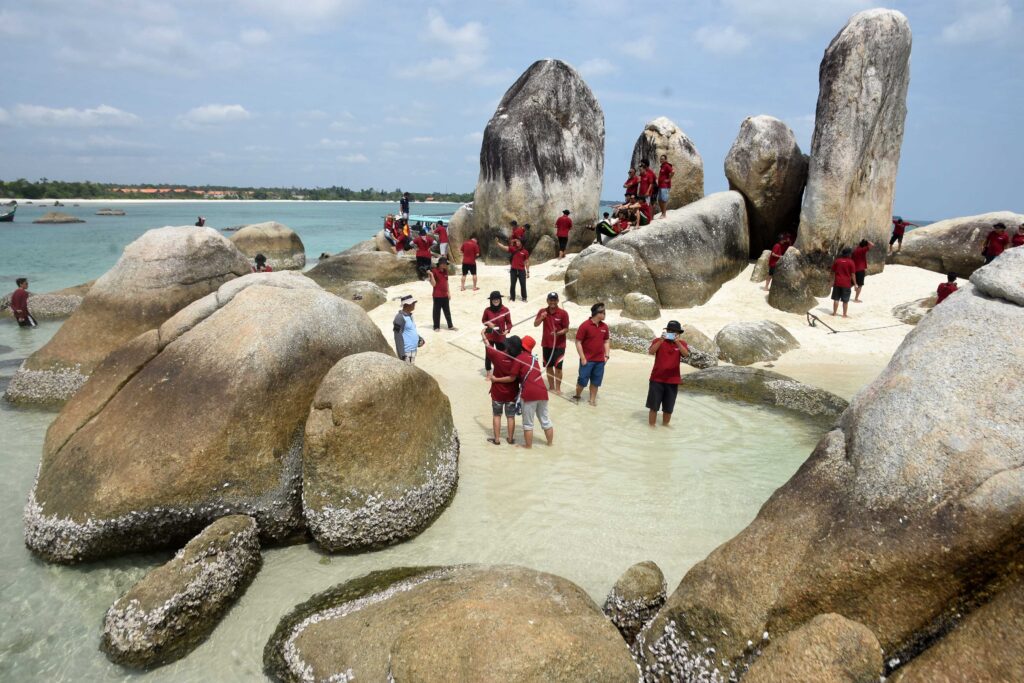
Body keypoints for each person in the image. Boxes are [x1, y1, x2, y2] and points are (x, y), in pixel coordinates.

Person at [492, 335, 552, 449]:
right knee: (545, 420)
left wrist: (496, 379)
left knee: (528, 424)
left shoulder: (519, 358)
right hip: (543, 392)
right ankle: (550, 445)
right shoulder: (535, 359)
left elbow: (512, 378)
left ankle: (528, 447)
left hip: (529, 394)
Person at [647, 320, 690, 426]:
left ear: (679, 333)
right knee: (653, 407)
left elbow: (686, 354)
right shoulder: (658, 341)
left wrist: (677, 342)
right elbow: (651, 352)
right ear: (667, 331)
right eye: (670, 331)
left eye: (675, 332)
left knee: (668, 408)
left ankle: (665, 428)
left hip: (673, 380)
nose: (672, 333)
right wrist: (661, 340)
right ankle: (651, 428)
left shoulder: (682, 344)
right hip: (656, 379)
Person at [481, 331, 518, 445]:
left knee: (497, 415)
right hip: (511, 393)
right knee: (510, 416)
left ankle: (497, 440)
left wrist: (483, 334)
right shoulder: (518, 359)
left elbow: (487, 345)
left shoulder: (497, 355)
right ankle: (510, 439)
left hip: (497, 392)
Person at [572, 302, 610, 406]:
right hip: (587, 360)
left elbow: (606, 341)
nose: (604, 314)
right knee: (582, 380)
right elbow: (578, 342)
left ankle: (592, 400)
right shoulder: (585, 325)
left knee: (596, 382)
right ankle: (577, 395)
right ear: (596, 313)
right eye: (603, 312)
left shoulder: (605, 327)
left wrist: (606, 356)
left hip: (600, 361)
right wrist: (583, 357)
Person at [534, 292, 570, 393]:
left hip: (559, 345)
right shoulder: (542, 311)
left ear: (558, 301)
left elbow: (566, 329)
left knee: (558, 368)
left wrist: (558, 333)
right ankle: (551, 387)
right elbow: (535, 324)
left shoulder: (563, 313)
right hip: (546, 344)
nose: (552, 302)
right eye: (551, 300)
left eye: (554, 300)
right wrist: (542, 318)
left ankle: (558, 389)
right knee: (549, 367)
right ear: (547, 301)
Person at [482, 291, 512, 374]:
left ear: (500, 299)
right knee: (488, 354)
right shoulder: (487, 310)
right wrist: (488, 323)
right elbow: (483, 320)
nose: (496, 301)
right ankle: (488, 372)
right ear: (491, 300)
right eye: (494, 299)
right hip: (490, 335)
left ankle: (502, 371)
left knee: (502, 354)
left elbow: (509, 323)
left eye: (497, 299)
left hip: (501, 336)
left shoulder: (505, 310)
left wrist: (507, 330)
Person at [495, 236, 529, 301]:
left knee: (523, 285)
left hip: (521, 270)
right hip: (513, 270)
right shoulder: (513, 249)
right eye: (517, 241)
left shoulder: (525, 252)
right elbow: (504, 247)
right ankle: (512, 297)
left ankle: (524, 298)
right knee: (512, 285)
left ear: (522, 243)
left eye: (518, 241)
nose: (517, 242)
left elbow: (527, 262)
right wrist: (497, 243)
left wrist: (528, 272)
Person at [392, 295, 424, 363]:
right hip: (406, 352)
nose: (414, 304)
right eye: (413, 303)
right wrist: (402, 355)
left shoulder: (410, 316)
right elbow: (397, 337)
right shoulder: (399, 318)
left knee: (411, 367)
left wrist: (419, 338)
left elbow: (411, 331)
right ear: (406, 304)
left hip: (413, 350)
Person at [428, 257, 456, 331]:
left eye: (445, 264)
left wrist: (448, 292)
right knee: (436, 312)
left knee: (447, 311)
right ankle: (436, 327)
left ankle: (450, 326)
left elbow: (446, 283)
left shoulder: (445, 271)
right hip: (437, 295)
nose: (444, 265)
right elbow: (433, 284)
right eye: (443, 263)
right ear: (439, 264)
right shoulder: (434, 271)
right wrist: (431, 275)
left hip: (445, 295)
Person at [830, 247, 856, 317]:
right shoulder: (851, 262)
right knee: (845, 301)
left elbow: (832, 272)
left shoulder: (837, 261)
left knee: (836, 299)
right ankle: (844, 314)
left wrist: (831, 282)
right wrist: (855, 284)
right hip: (846, 284)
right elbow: (853, 274)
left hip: (837, 282)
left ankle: (834, 313)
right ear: (849, 254)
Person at [657, 154, 674, 219]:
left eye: (662, 159)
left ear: (665, 160)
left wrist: (669, 179)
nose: (661, 160)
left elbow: (673, 171)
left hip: (665, 186)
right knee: (659, 200)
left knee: (663, 200)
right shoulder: (662, 166)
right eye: (660, 159)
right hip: (661, 186)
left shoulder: (667, 166)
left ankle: (664, 214)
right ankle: (662, 213)